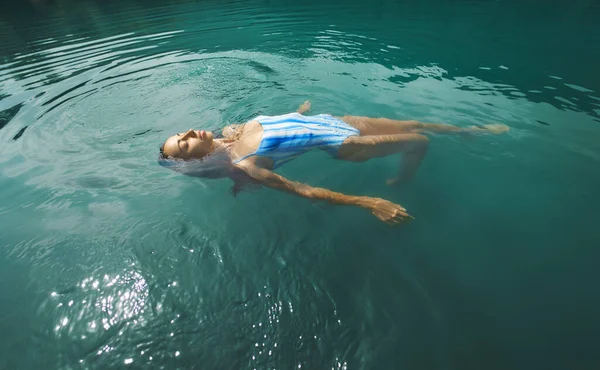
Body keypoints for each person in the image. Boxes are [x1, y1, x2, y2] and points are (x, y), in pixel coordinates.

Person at [158, 101, 508, 224]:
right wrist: (369, 202)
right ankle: (402, 182)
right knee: (419, 142)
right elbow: (306, 191)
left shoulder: (230, 130)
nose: (189, 132)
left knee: (414, 126)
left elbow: (283, 124)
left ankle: (467, 130)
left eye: (181, 133)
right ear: (198, 159)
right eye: (184, 144)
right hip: (344, 142)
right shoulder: (247, 163)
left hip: (334, 119)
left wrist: (299, 111)